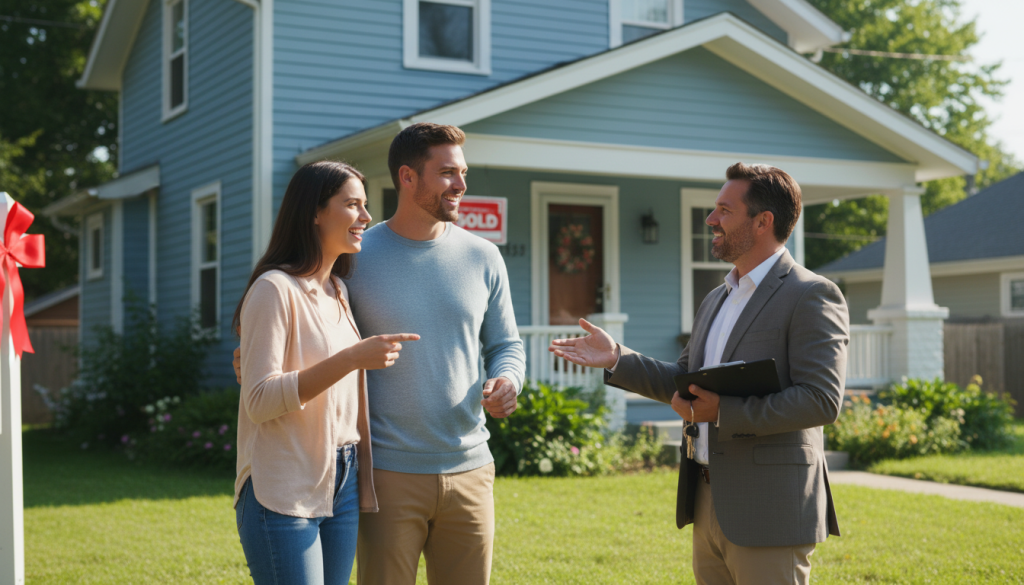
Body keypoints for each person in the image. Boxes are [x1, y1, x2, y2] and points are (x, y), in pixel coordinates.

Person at [233, 123, 525, 585]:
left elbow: (506, 344)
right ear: (408, 177)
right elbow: (297, 335)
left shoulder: (483, 256)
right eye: (447, 173)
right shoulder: (353, 255)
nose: (461, 185)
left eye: (463, 173)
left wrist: (508, 379)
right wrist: (252, 359)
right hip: (383, 473)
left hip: (469, 466)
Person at [550, 163, 849, 585]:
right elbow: (687, 380)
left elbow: (821, 399)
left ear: (763, 221)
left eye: (724, 210)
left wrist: (722, 412)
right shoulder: (716, 298)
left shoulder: (811, 294)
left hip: (769, 509)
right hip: (708, 498)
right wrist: (617, 357)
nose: (710, 219)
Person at [232, 161, 420, 585]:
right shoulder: (274, 289)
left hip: (344, 477)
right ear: (315, 212)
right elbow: (259, 401)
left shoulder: (338, 290)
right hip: (282, 479)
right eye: (352, 204)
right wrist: (352, 358)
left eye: (365, 205)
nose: (366, 216)